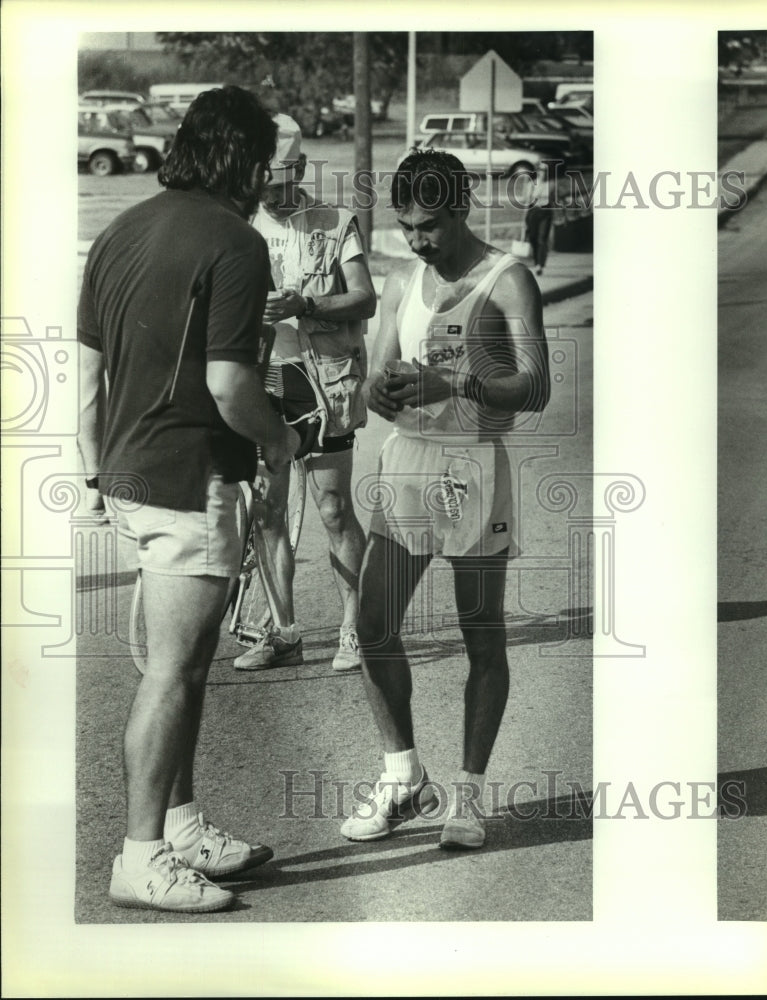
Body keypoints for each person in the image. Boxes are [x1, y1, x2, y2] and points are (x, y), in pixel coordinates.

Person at [77, 87, 299, 913]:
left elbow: (86, 377)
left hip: (134, 475)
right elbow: (231, 384)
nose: (267, 182)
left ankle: (179, 825)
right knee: (172, 672)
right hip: (191, 474)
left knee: (190, 662)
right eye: (264, 165)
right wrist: (279, 440)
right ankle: (140, 858)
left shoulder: (121, 230)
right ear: (241, 160)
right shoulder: (236, 242)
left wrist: (100, 474)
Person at [340, 148, 551, 850]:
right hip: (406, 462)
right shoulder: (403, 278)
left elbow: (536, 386)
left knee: (480, 634)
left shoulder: (507, 278)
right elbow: (374, 375)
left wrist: (457, 385)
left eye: (429, 225)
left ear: (461, 208)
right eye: (406, 226)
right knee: (372, 624)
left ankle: (467, 796)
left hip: (472, 467)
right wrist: (379, 388)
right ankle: (403, 776)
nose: (418, 239)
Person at [233, 113, 377, 673]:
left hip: (325, 384)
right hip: (263, 383)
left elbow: (364, 298)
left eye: (282, 177)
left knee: (335, 508)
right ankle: (282, 631)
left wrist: (306, 304)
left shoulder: (335, 221)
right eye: (263, 178)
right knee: (267, 511)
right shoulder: (236, 224)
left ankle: (354, 629)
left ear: (299, 169)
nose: (273, 189)